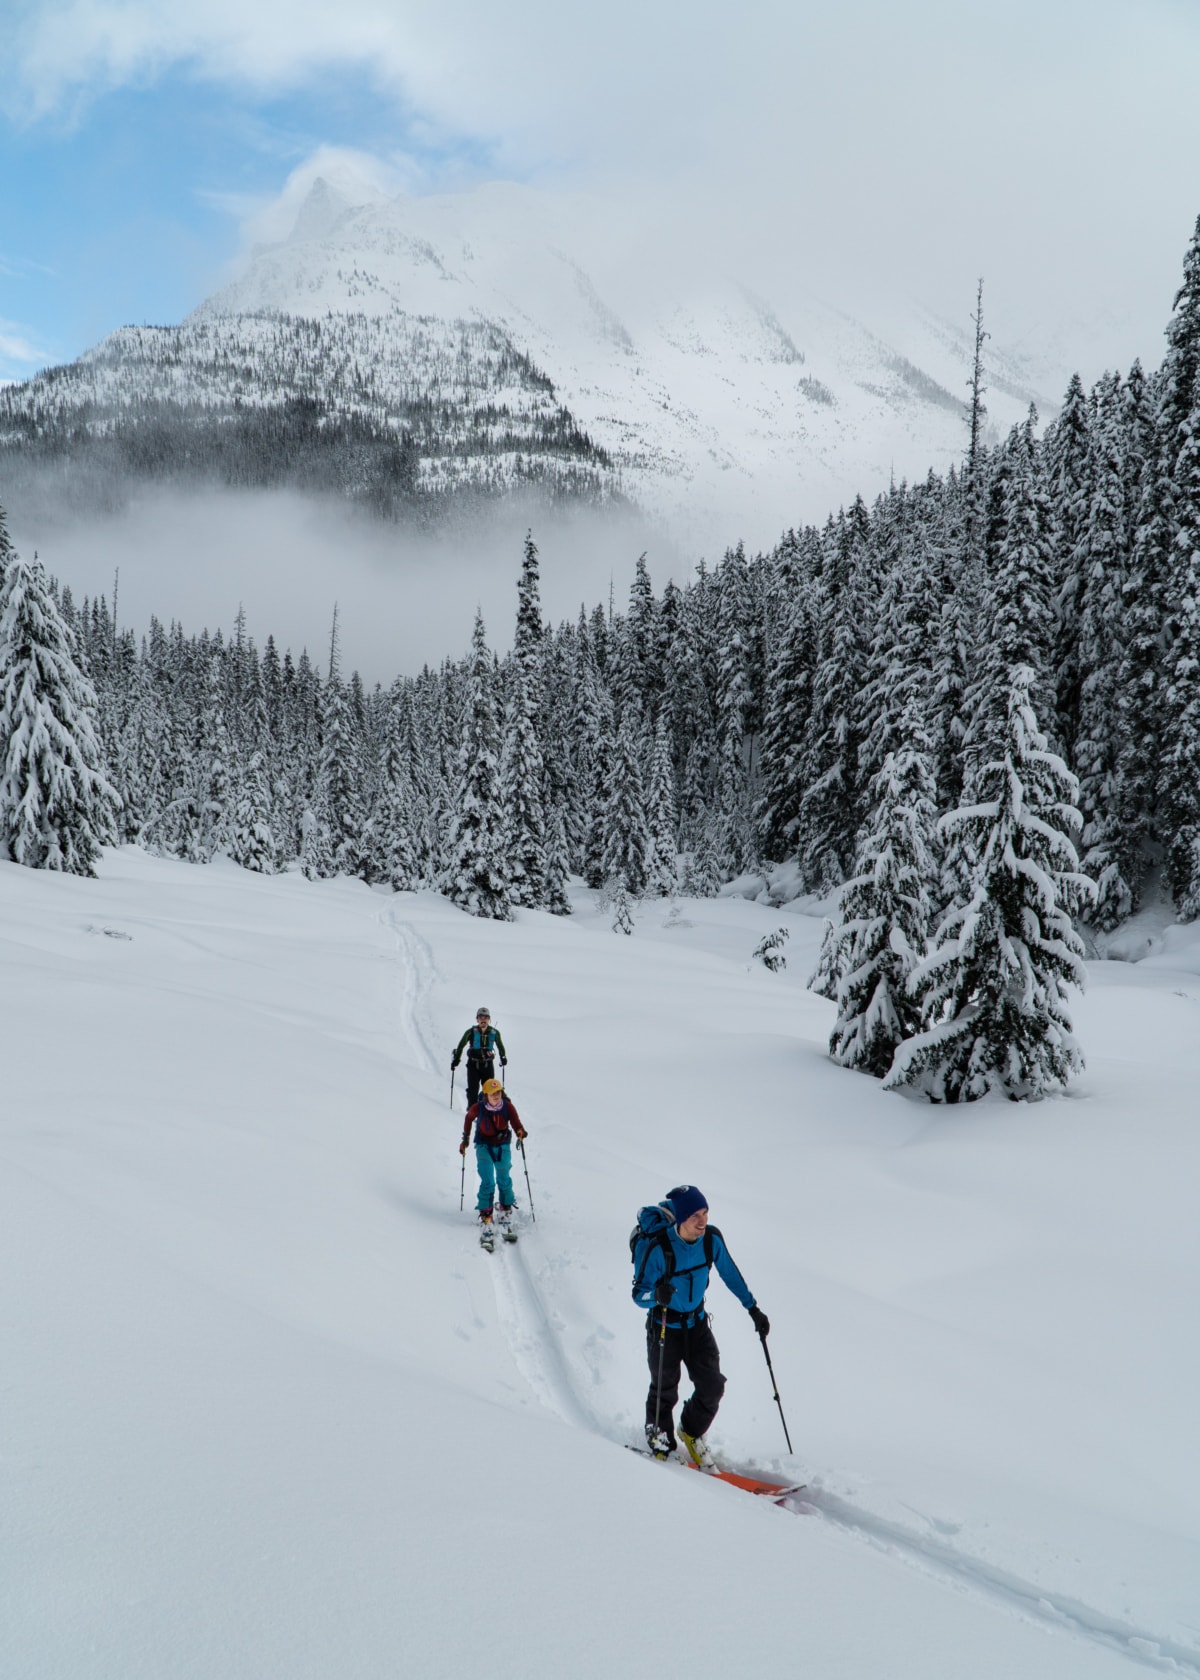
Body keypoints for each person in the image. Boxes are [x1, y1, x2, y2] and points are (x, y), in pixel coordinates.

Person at [631, 1185, 770, 1467]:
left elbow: (731, 1274)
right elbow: (638, 1295)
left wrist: (752, 1308)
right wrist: (656, 1296)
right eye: (695, 1215)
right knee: (664, 1388)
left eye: (705, 1212)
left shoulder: (711, 1241)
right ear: (681, 1218)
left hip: (696, 1324)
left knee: (713, 1386)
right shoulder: (660, 1248)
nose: (702, 1220)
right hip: (664, 1326)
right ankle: (660, 1439)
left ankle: (690, 1431)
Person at [460, 1077, 527, 1231]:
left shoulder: (508, 1107)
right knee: (487, 1179)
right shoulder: (479, 1107)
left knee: (504, 1178)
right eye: (492, 1093)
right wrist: (466, 1138)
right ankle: (486, 1212)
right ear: (486, 1095)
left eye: (498, 1092)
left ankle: (505, 1207)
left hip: (502, 1145)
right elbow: (469, 1118)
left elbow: (516, 1122)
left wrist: (520, 1131)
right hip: (484, 1145)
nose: (496, 1096)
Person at [451, 1007, 507, 1108]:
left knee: (490, 1090)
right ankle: (472, 1113)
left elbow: (500, 1046)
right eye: (481, 1017)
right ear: (477, 1019)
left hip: (487, 1065)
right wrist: (456, 1060)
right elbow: (461, 1045)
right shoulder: (470, 1032)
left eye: (486, 1017)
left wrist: (503, 1057)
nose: (483, 1019)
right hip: (473, 1065)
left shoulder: (495, 1033)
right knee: (473, 1091)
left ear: (489, 1019)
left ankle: (488, 1112)